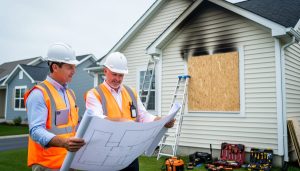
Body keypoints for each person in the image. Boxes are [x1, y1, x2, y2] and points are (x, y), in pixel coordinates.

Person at [85, 52, 175, 171]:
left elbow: (143, 116)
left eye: (121, 75)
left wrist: (161, 120)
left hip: (129, 154)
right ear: (105, 71)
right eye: (114, 74)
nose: (117, 79)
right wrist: (126, 122)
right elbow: (97, 120)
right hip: (105, 156)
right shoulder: (94, 94)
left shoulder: (131, 92)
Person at [24, 42, 85, 171]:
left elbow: (74, 125)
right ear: (55, 67)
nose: (74, 71)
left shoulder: (70, 94)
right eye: (70, 67)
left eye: (74, 67)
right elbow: (35, 131)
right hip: (47, 165)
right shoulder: (39, 94)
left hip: (69, 160)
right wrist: (64, 143)